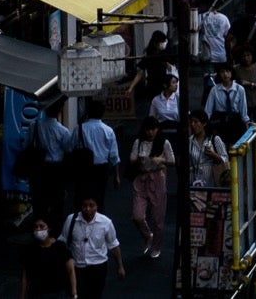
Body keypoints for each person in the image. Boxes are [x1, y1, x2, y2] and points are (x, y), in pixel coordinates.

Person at [127, 117, 176, 260]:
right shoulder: (139, 142)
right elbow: (131, 159)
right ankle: (147, 235)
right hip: (141, 179)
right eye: (148, 129)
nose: (150, 132)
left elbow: (172, 161)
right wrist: (140, 160)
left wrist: (160, 160)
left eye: (153, 129)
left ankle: (157, 246)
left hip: (157, 179)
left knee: (157, 218)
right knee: (137, 215)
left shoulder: (164, 143)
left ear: (157, 129)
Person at [60, 196, 124, 299]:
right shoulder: (71, 220)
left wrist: (120, 266)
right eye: (85, 206)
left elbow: (114, 245)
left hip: (98, 267)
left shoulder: (106, 223)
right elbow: (62, 242)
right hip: (77, 267)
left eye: (91, 205)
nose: (88, 209)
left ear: (97, 207)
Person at [31, 107, 77, 232]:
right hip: (56, 169)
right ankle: (55, 229)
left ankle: (40, 227)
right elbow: (68, 148)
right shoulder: (63, 130)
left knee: (40, 200)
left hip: (40, 167)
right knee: (57, 201)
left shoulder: (35, 126)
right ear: (59, 112)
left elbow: (27, 144)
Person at [18, 214, 77, 299]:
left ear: (49, 228)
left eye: (42, 226)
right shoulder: (30, 249)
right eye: (36, 227)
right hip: (36, 293)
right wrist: (22, 296)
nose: (38, 229)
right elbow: (25, 276)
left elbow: (71, 270)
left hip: (57, 293)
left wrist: (74, 292)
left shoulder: (60, 247)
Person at [75, 108, 120, 205]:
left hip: (84, 167)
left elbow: (70, 146)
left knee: (82, 196)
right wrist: (116, 175)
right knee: (100, 197)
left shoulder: (79, 129)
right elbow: (114, 155)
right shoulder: (108, 130)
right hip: (101, 169)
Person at [184, 110, 229, 189]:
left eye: (196, 122)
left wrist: (213, 155)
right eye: (191, 122)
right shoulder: (189, 141)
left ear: (204, 123)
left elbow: (225, 159)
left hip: (210, 181)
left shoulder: (214, 139)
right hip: (193, 182)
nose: (192, 125)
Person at [203, 63, 250, 133]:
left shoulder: (239, 89)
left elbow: (243, 108)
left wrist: (246, 123)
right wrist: (205, 122)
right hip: (219, 121)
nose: (225, 74)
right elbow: (208, 110)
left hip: (235, 120)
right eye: (222, 72)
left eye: (227, 71)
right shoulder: (214, 90)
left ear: (231, 73)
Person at [194, 4, 231, 69]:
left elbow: (194, 31)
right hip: (221, 55)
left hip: (206, 56)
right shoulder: (224, 18)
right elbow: (227, 37)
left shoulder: (201, 17)